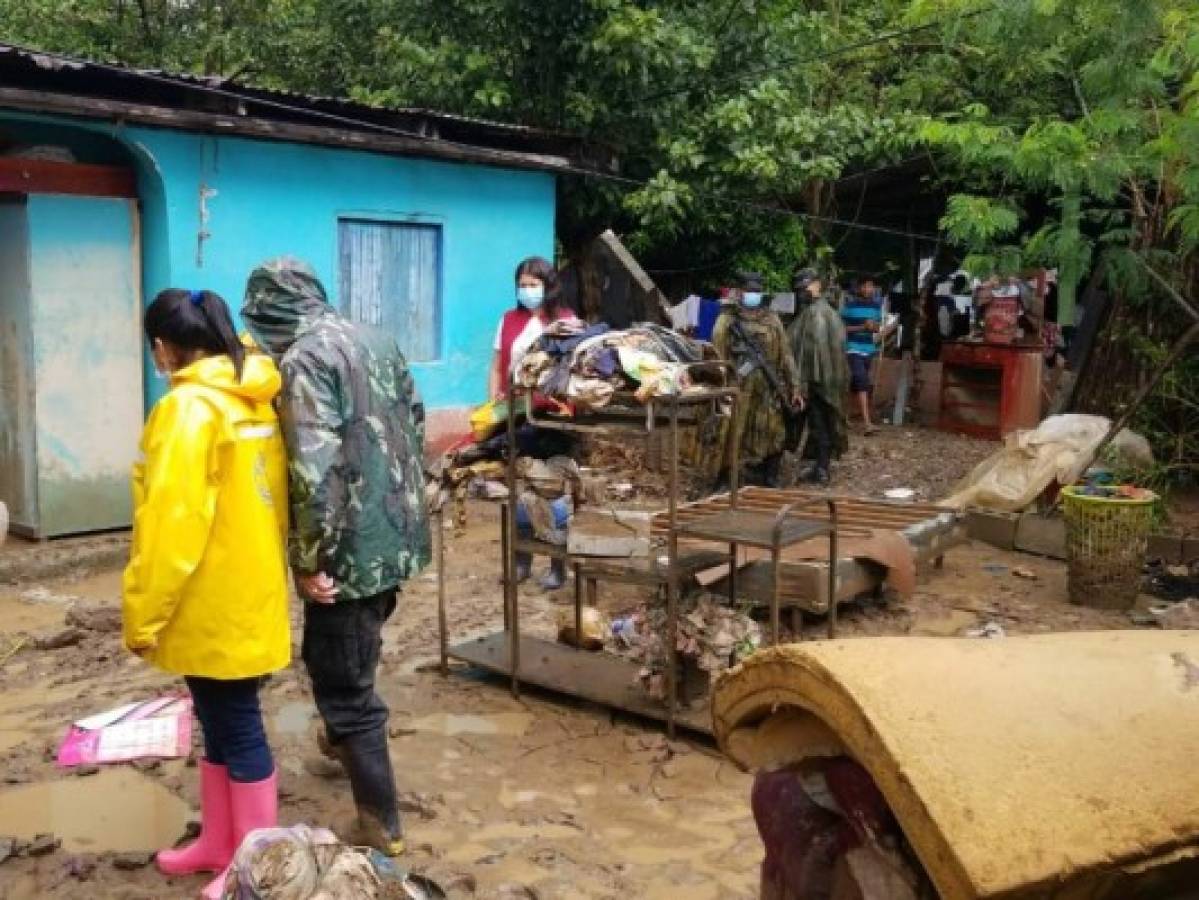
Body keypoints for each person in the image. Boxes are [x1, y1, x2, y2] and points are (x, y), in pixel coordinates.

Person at [241, 258, 431, 857]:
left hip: (346, 548)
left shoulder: (302, 360)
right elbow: (416, 422)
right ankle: (339, 743)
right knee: (358, 644)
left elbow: (313, 469)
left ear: (272, 309)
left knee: (342, 679)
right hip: (396, 532)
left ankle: (382, 824)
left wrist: (308, 558)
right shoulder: (376, 338)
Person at [123, 289, 289, 900]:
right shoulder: (251, 399)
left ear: (165, 348)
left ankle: (258, 873)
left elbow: (172, 525)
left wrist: (143, 613)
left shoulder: (189, 410)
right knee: (219, 725)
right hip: (248, 588)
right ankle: (221, 844)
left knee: (238, 728)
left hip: (208, 596)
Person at [490, 256, 581, 589]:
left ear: (548, 285)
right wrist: (494, 399)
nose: (527, 290)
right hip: (516, 414)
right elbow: (497, 365)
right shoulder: (508, 320)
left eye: (534, 284)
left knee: (552, 491)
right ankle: (521, 562)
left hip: (555, 417)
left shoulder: (566, 320)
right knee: (519, 488)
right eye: (522, 284)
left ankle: (558, 566)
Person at [712, 272, 802, 488]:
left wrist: (795, 386)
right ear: (740, 292)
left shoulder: (772, 318)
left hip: (769, 386)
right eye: (749, 291)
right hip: (738, 386)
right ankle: (725, 478)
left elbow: (786, 353)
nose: (753, 295)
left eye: (756, 292)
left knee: (774, 431)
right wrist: (721, 384)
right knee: (734, 430)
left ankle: (769, 475)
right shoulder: (728, 318)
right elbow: (717, 353)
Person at [788, 269, 849, 486]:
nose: (801, 292)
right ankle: (821, 466)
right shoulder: (829, 313)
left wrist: (802, 384)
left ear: (815, 285)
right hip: (829, 381)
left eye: (804, 287)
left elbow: (807, 353)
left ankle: (822, 468)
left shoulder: (816, 314)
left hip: (815, 382)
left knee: (819, 423)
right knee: (822, 424)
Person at [841, 275, 883, 435]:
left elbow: (878, 328)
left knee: (856, 385)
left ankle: (844, 417)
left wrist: (874, 327)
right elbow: (841, 328)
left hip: (868, 349)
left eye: (870, 286)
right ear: (859, 288)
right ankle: (867, 424)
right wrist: (861, 327)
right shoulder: (849, 306)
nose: (868, 289)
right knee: (862, 381)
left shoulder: (876, 307)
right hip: (852, 348)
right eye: (864, 286)